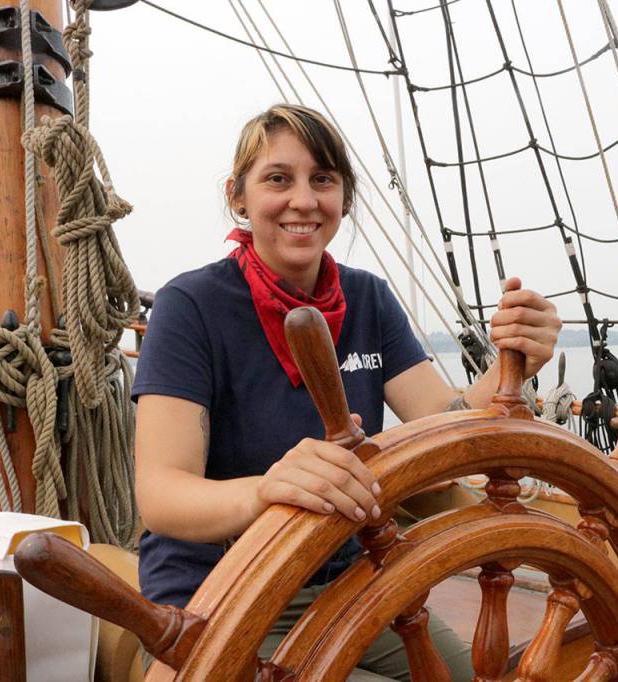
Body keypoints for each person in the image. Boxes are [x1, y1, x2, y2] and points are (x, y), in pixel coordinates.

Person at [131, 104, 561, 680]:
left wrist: (514, 361)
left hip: (350, 579)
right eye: (278, 179)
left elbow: (443, 424)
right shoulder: (191, 307)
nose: (304, 200)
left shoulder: (368, 299)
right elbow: (161, 494)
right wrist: (269, 492)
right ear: (238, 197)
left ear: (344, 199)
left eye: (324, 180)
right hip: (218, 589)